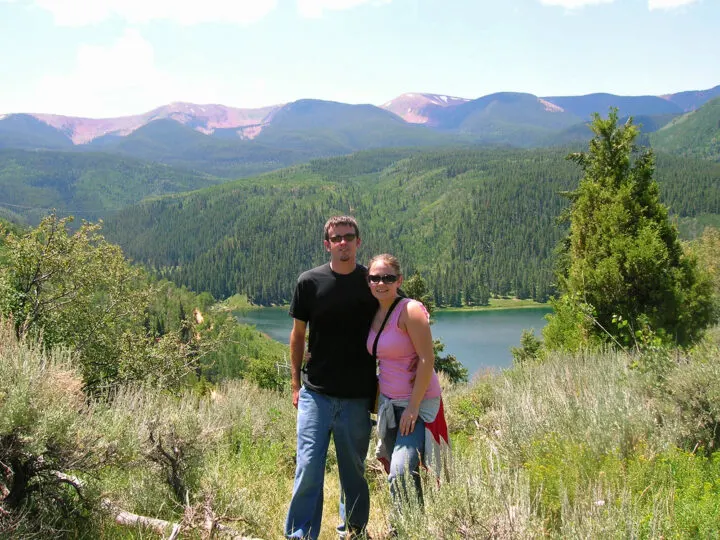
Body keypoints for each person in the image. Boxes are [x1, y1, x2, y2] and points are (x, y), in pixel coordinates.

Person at [285, 216, 378, 540]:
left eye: (349, 237)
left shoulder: (372, 283)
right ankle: (299, 534)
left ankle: (352, 531)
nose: (343, 242)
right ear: (327, 244)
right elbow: (297, 336)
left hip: (356, 397)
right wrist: (296, 385)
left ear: (358, 242)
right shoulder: (309, 283)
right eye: (336, 238)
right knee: (308, 467)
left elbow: (401, 312)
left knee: (353, 472)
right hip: (316, 394)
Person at [366, 253, 450, 521]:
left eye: (388, 278)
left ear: (399, 280)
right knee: (402, 471)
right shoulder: (373, 312)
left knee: (401, 470)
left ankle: (409, 528)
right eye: (375, 278)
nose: (381, 283)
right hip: (390, 405)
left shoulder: (410, 310)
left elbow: (427, 358)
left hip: (417, 405)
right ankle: (410, 526)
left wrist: (413, 408)